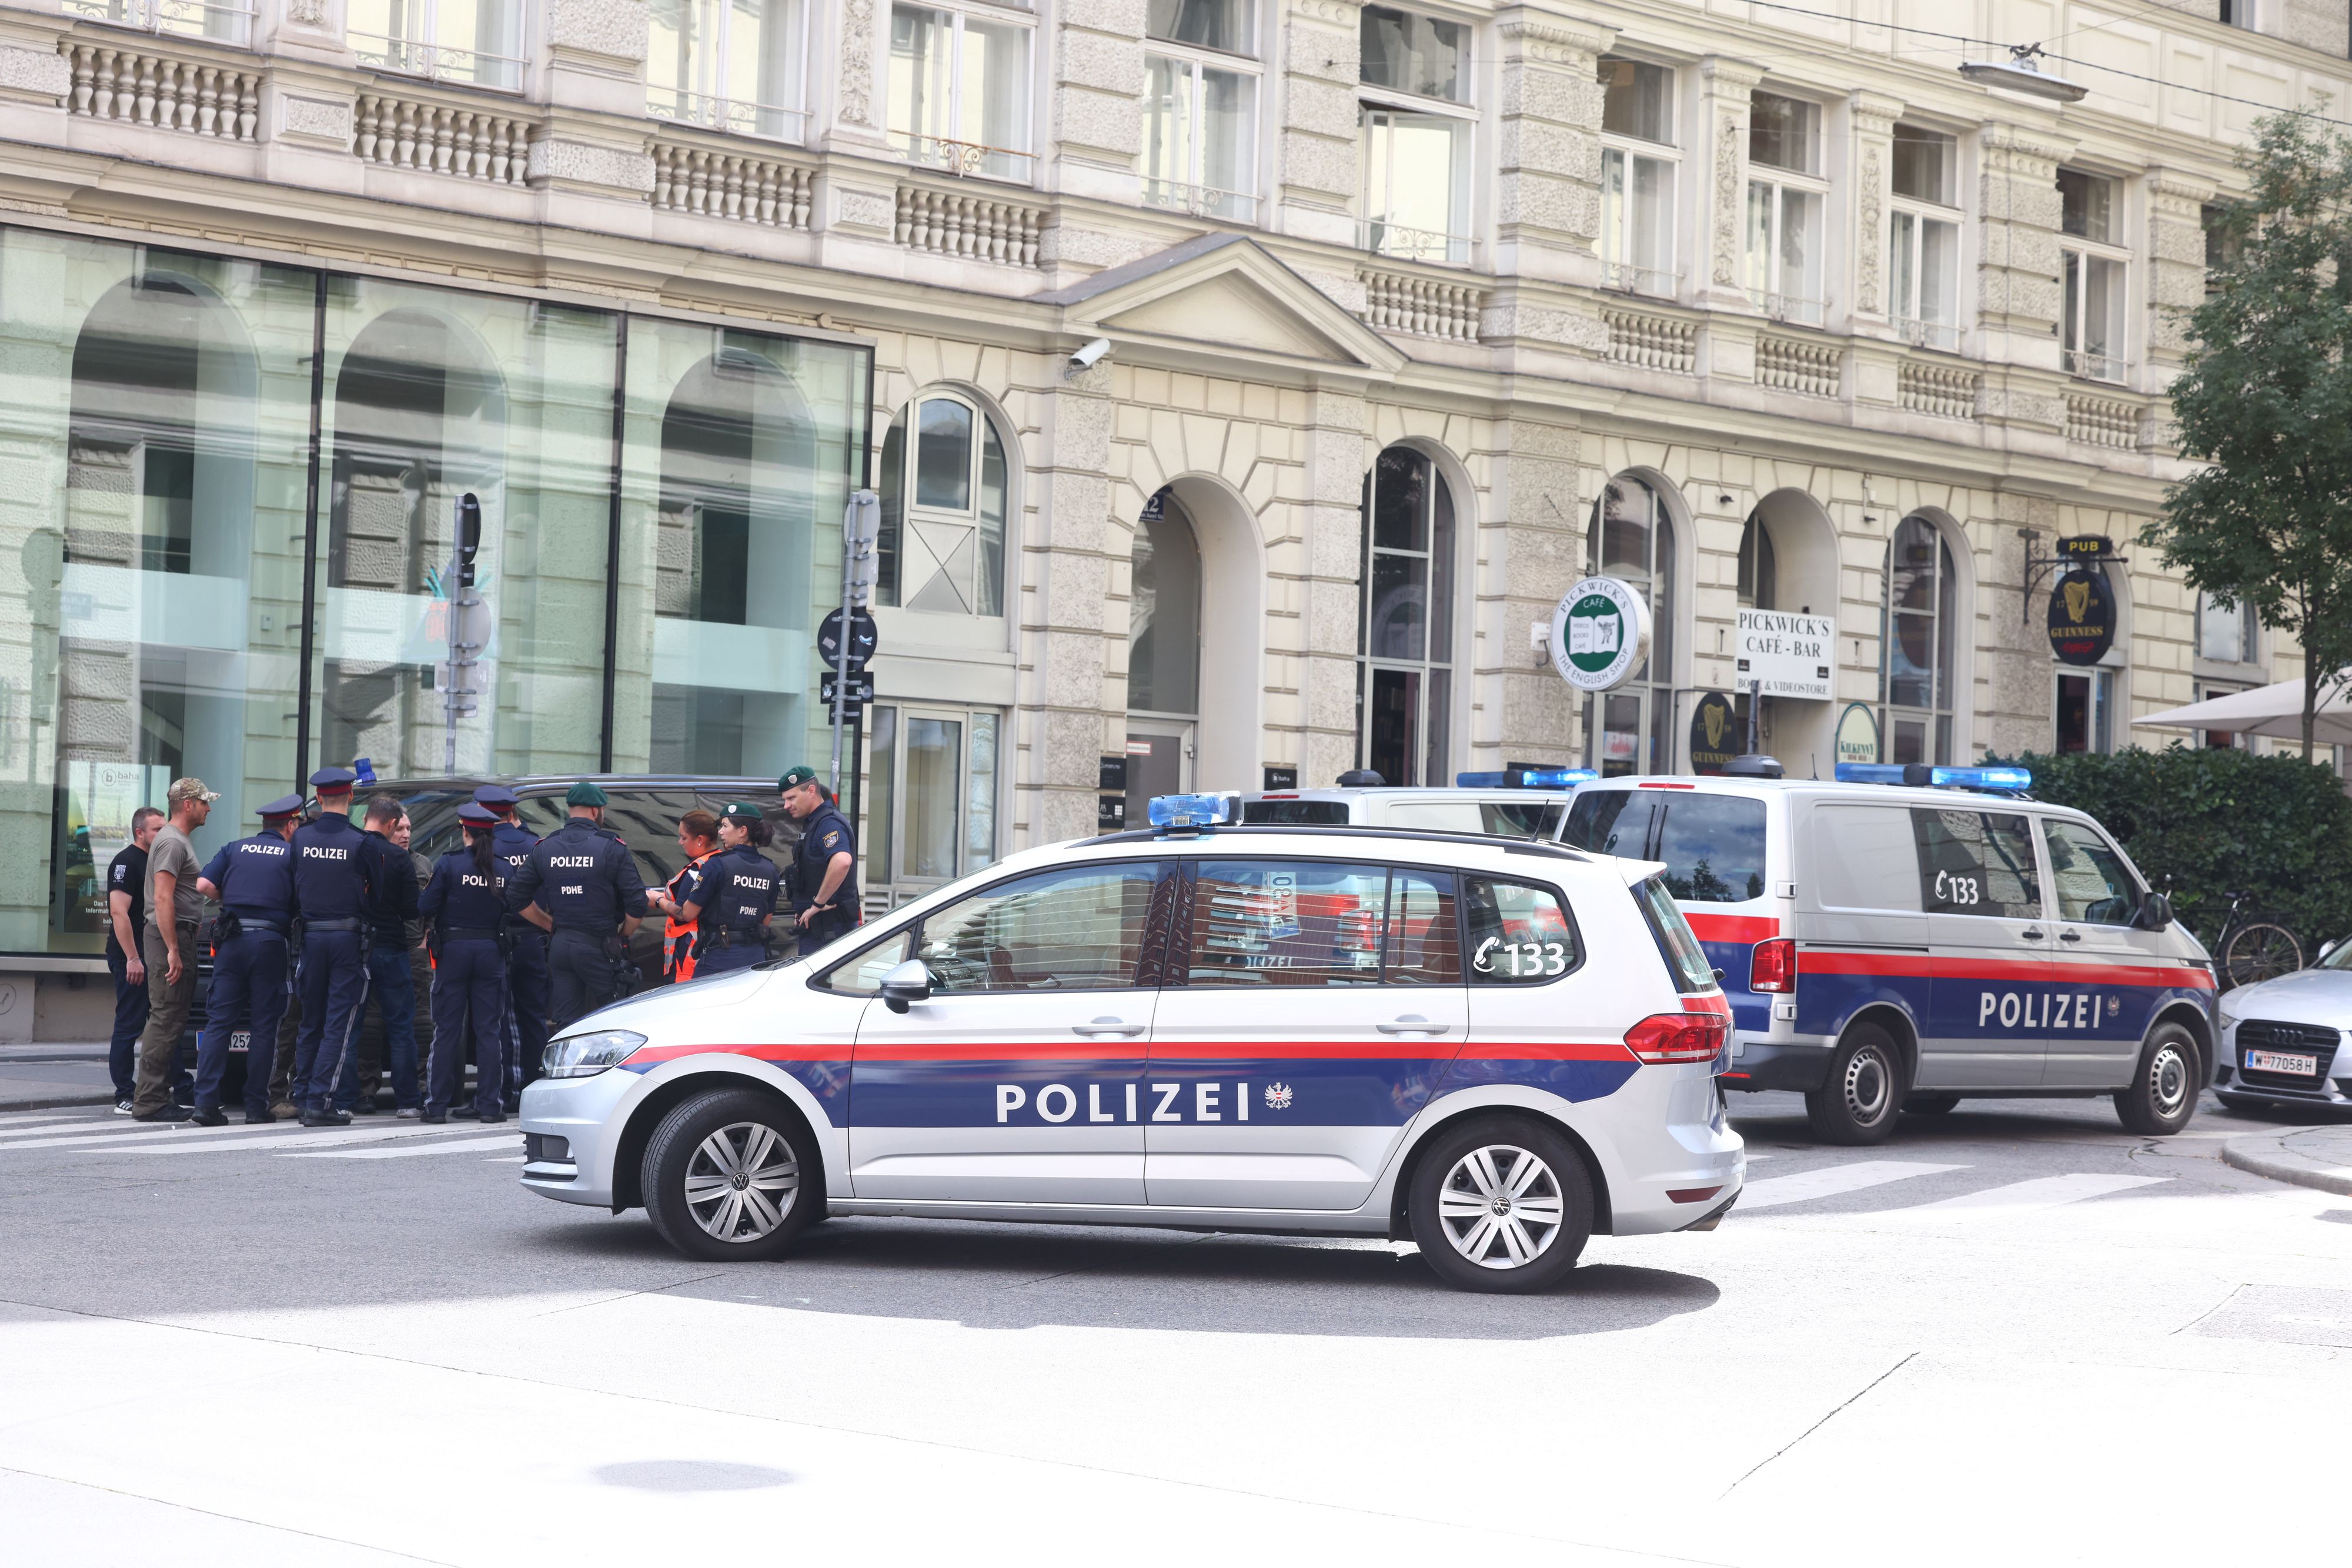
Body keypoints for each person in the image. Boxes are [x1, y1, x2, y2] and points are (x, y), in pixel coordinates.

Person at [189, 794, 303, 1125]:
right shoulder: (291, 854)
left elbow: (203, 885)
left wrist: (232, 897)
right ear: (290, 824)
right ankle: (256, 1107)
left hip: (232, 942)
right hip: (269, 942)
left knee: (219, 1023)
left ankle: (206, 1104)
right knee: (265, 1026)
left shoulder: (235, 848)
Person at [512, 781, 647, 1033]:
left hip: (561, 946)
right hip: (600, 946)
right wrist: (624, 934)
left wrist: (549, 925)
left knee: (566, 1025)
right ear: (597, 811)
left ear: (570, 809)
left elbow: (516, 895)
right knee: (615, 1018)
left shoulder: (546, 847)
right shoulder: (611, 846)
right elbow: (637, 901)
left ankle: (568, 1071)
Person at [289, 767, 376, 1128]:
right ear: (351, 798)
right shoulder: (360, 842)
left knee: (311, 1020)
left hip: (310, 937)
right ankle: (320, 1101)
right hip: (346, 938)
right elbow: (377, 895)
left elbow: (294, 885)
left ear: (320, 799)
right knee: (338, 1022)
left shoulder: (300, 839)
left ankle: (303, 1093)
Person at [131, 778, 216, 1123]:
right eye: (204, 802)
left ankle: (156, 1096)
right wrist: (173, 949)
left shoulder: (174, 840)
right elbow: (163, 897)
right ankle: (150, 1100)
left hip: (177, 934)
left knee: (170, 1017)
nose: (208, 808)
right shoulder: (172, 842)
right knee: (165, 1017)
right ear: (188, 805)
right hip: (169, 936)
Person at [419, 804, 510, 1124]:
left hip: (453, 952)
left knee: (446, 1030)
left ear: (464, 831)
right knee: (489, 1031)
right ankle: (489, 1106)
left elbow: (425, 904)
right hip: (490, 952)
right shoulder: (503, 868)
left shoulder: (449, 864)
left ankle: (436, 1107)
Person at [341, 793, 422, 1118]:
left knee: (349, 1027)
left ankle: (346, 1101)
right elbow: (411, 910)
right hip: (391, 947)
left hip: (354, 947)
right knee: (401, 1027)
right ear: (391, 824)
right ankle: (407, 1102)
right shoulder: (399, 858)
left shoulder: (350, 849)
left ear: (365, 820)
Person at [476, 785, 550, 1111]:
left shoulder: (485, 847)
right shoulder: (537, 844)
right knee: (534, 1016)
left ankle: (509, 1090)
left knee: (502, 1018)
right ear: (512, 812)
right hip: (536, 938)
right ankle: (537, 1086)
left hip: (500, 940)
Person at [103, 805, 163, 1115]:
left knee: (163, 1022)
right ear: (140, 832)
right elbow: (119, 912)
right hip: (132, 958)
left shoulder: (155, 860)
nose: (162, 833)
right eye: (157, 829)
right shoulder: (126, 862)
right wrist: (133, 959)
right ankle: (124, 1094)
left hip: (152, 955)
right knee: (129, 1024)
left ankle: (177, 1087)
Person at [680, 803, 782, 977]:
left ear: (742, 831)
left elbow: (688, 913)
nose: (720, 832)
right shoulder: (770, 869)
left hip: (718, 959)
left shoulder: (717, 864)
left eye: (725, 826)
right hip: (755, 959)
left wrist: (661, 901)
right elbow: (766, 920)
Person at [779, 764, 860, 951]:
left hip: (829, 931)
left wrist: (817, 904)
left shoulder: (828, 822)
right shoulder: (814, 823)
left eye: (791, 798)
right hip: (820, 930)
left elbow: (842, 861)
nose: (786, 806)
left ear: (811, 791)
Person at [644, 810, 721, 984]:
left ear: (700, 839)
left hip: (689, 955)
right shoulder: (719, 861)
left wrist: (658, 900)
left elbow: (683, 913)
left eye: (684, 838)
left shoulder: (698, 869)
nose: (680, 842)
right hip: (705, 949)